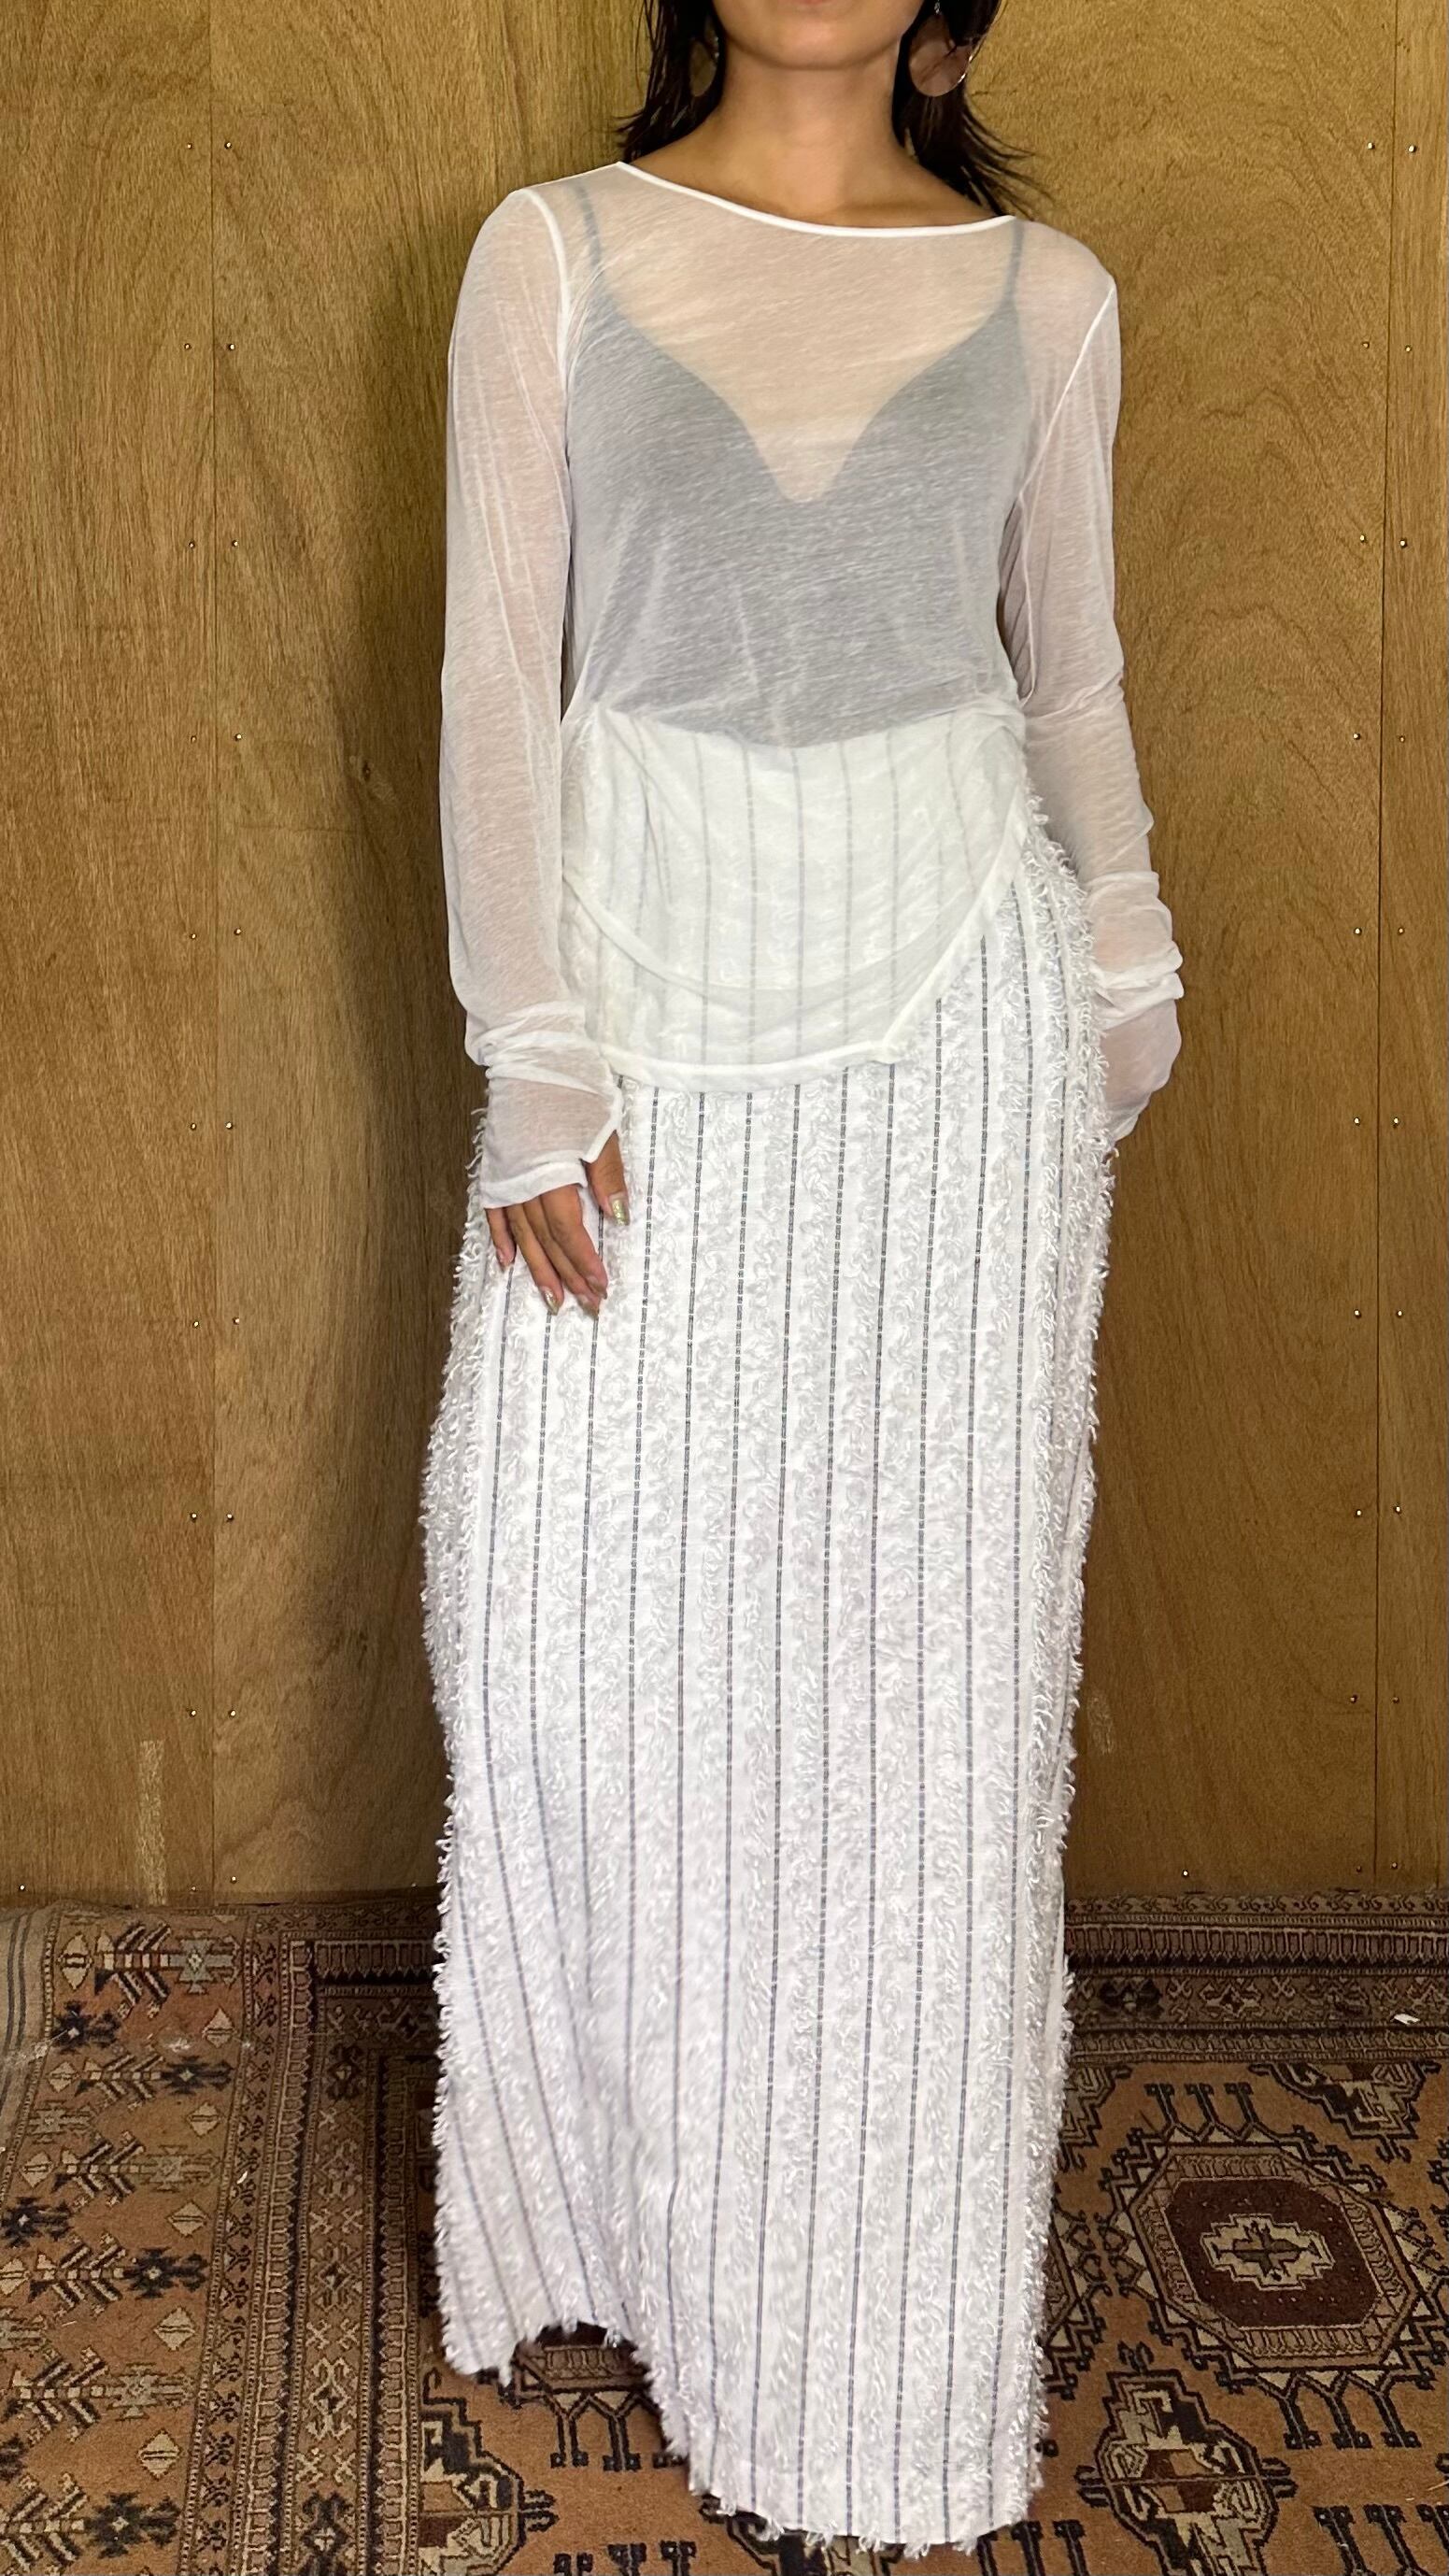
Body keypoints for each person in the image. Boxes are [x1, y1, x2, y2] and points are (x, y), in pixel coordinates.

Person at [419, 0, 1185, 2556]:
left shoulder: (1048, 300)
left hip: (951, 1039)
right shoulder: (549, 258)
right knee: (577, 1619)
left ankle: (875, 2327)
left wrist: (1128, 960)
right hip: (639, 1005)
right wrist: (534, 1051)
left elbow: (1070, 670)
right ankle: (619, 2221)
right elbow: (495, 673)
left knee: (914, 1691)